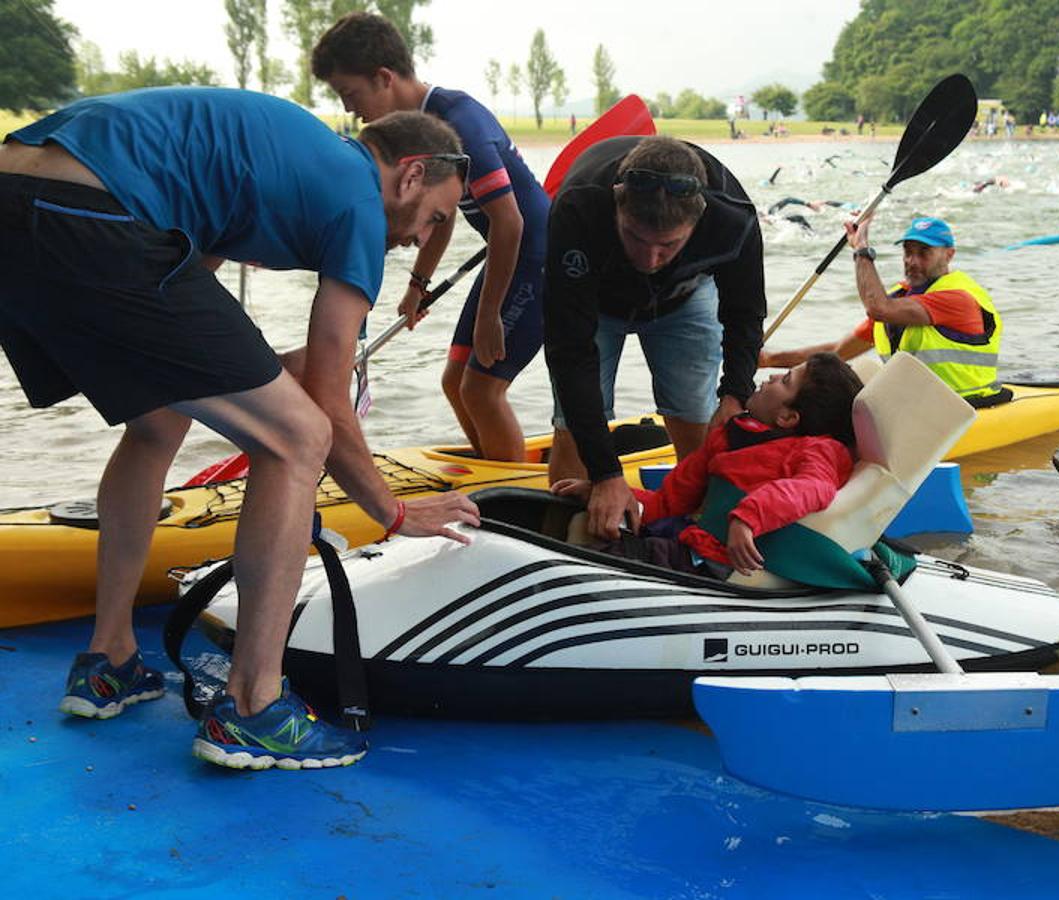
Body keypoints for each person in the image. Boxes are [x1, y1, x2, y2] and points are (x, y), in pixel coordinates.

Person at [0, 88, 481, 770]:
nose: (419, 240)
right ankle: (254, 704)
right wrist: (393, 510)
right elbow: (326, 407)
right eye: (432, 218)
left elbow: (187, 341)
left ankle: (108, 660)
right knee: (298, 440)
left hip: (18, 200)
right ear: (410, 173)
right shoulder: (356, 199)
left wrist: (286, 383)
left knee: (159, 417)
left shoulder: (290, 156)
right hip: (96, 211)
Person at [312, 12, 550, 462]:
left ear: (384, 78)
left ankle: (511, 492)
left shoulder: (461, 123)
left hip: (539, 257)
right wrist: (417, 286)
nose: (349, 109)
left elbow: (511, 222)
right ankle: (496, 468)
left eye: (350, 94)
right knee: (454, 383)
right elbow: (441, 215)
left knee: (481, 390)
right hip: (512, 254)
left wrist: (490, 314)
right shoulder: (421, 128)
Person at [543, 135, 766, 541]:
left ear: (699, 220)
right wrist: (607, 473)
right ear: (617, 201)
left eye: (668, 245)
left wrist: (736, 394)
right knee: (572, 426)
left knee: (696, 420)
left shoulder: (732, 217)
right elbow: (568, 350)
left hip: (686, 297)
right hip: (596, 302)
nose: (648, 260)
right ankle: (564, 536)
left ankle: (699, 533)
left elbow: (745, 315)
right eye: (635, 237)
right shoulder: (579, 207)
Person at [553, 353, 862, 577]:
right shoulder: (729, 438)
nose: (771, 376)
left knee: (584, 559)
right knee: (580, 521)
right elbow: (668, 502)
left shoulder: (818, 451)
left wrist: (748, 518)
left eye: (785, 380)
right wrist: (609, 493)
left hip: (712, 562)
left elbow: (813, 488)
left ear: (788, 417)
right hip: (688, 541)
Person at [760, 216, 1005, 406]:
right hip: (918, 406)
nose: (912, 261)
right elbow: (838, 352)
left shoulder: (957, 297)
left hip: (965, 407)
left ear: (949, 255)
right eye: (908, 252)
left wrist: (861, 249)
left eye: (924, 253)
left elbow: (877, 307)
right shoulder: (901, 301)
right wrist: (770, 359)